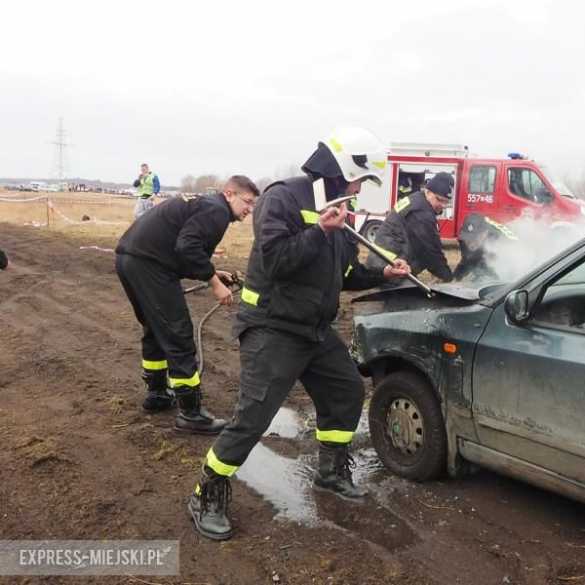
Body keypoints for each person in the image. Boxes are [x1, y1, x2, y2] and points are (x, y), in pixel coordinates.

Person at [188, 126, 410, 541]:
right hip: (272, 326)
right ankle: (207, 491)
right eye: (362, 178)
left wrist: (383, 272)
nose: (363, 188)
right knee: (254, 418)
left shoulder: (341, 209)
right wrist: (320, 231)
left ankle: (329, 472)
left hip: (313, 329)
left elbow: (343, 274)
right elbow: (276, 261)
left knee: (345, 390)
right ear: (346, 168)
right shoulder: (283, 197)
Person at [115, 175, 260, 435]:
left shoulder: (206, 205)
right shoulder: (216, 211)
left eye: (253, 204)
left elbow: (184, 249)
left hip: (131, 260)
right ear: (229, 194)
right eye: (247, 202)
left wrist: (215, 272)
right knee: (178, 334)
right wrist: (216, 285)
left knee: (156, 330)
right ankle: (191, 414)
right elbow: (188, 247)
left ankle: (157, 394)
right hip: (149, 265)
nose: (250, 209)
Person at [368, 171, 455, 282]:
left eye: (446, 202)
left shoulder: (417, 200)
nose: (442, 206)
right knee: (407, 298)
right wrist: (448, 279)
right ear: (428, 192)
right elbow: (430, 250)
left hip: (390, 262)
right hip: (387, 265)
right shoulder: (420, 212)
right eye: (439, 200)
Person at [453, 212, 519, 281]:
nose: (471, 245)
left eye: (475, 239)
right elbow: (467, 259)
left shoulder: (502, 238)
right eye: (468, 240)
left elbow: (515, 262)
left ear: (485, 234)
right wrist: (456, 276)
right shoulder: (464, 236)